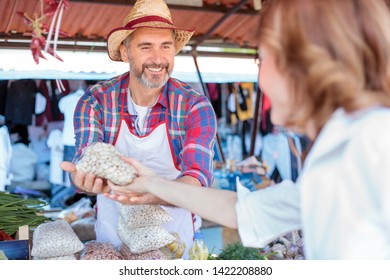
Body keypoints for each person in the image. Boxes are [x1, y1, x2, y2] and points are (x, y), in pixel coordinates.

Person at [105, 0, 390, 259]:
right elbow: (243, 211)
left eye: (262, 60)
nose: (260, 77)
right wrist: (151, 181)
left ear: (307, 63)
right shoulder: (336, 155)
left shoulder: (375, 141)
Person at [60, 0, 217, 258]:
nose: (158, 58)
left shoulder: (194, 106)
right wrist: (81, 179)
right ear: (125, 52)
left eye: (165, 46)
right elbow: (85, 160)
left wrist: (148, 193)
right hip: (112, 247)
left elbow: (197, 182)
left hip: (176, 245)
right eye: (146, 47)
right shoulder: (95, 101)